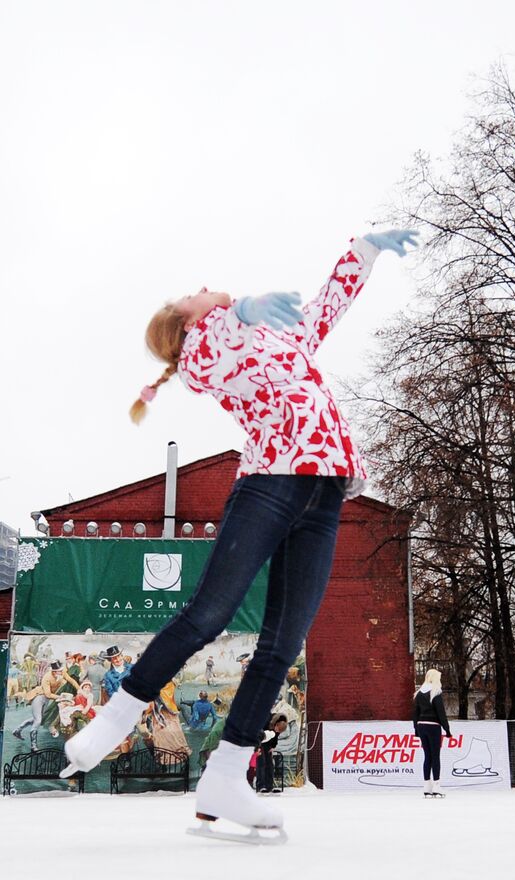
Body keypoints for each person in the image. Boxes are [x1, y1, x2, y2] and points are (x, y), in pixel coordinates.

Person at [59, 227, 419, 839]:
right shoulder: (201, 351)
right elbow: (205, 363)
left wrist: (366, 250)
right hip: (270, 485)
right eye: (188, 296)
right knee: (210, 614)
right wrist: (240, 309)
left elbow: (328, 305)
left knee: (284, 641)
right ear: (183, 324)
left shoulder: (278, 333)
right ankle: (118, 716)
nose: (201, 287)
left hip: (325, 491)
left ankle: (226, 776)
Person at [413, 668, 451, 798]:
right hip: (433, 726)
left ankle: (426, 786)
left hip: (421, 726)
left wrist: (416, 730)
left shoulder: (418, 694)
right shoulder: (436, 692)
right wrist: (447, 729)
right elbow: (441, 712)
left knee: (427, 756)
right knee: (435, 756)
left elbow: (415, 714)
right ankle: (436, 785)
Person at [255, 714, 288, 793]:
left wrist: (273, 746)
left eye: (279, 731)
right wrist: (257, 746)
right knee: (261, 763)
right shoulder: (267, 720)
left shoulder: (281, 725)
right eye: (277, 729)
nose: (277, 732)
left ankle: (269, 786)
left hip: (268, 744)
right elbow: (258, 733)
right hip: (260, 742)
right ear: (276, 724)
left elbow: (276, 736)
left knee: (270, 765)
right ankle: (261, 786)